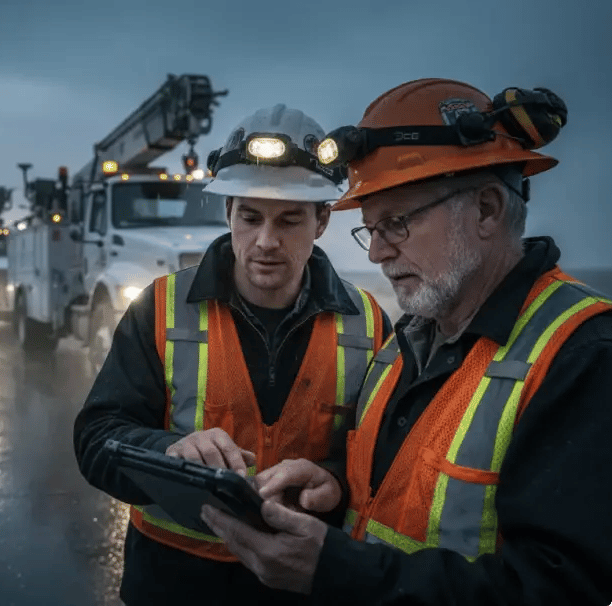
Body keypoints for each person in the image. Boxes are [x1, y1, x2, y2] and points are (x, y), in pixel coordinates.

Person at [200, 79, 612, 605]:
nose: (375, 254)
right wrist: (331, 488)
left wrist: (340, 570)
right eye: (369, 230)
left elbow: (563, 590)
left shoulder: (581, 355)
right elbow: (401, 503)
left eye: (395, 224)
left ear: (486, 210)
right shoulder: (405, 346)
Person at [73, 104, 392, 605]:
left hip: (303, 583)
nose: (266, 241)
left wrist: (331, 479)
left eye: (289, 220)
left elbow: (386, 462)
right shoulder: (158, 308)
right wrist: (167, 454)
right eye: (250, 217)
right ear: (228, 213)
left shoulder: (370, 323)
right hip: (174, 584)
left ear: (323, 220)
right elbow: (96, 440)